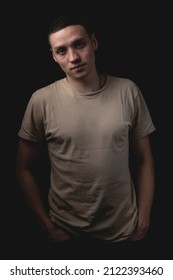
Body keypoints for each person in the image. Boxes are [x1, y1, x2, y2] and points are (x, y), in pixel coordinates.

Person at [16, 14, 156, 259]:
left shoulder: (128, 90)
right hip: (65, 233)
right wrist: (45, 225)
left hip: (124, 231)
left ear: (94, 42)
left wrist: (144, 216)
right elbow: (23, 168)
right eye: (62, 51)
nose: (73, 57)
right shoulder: (41, 100)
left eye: (79, 44)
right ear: (53, 55)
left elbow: (144, 159)